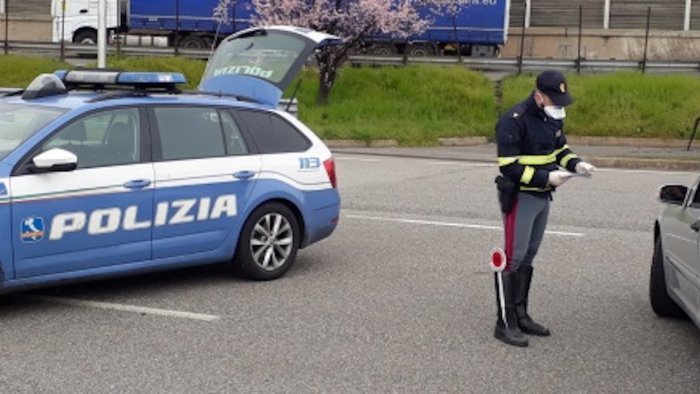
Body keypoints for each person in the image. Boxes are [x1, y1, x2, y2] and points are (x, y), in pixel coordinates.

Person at [493, 70, 596, 347]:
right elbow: (509, 167)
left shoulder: (552, 118)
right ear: (539, 96)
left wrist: (577, 164)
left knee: (529, 255)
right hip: (521, 197)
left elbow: (560, 150)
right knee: (513, 257)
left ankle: (522, 314)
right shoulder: (514, 121)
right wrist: (546, 177)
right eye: (555, 100)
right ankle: (505, 322)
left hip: (543, 196)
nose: (560, 107)